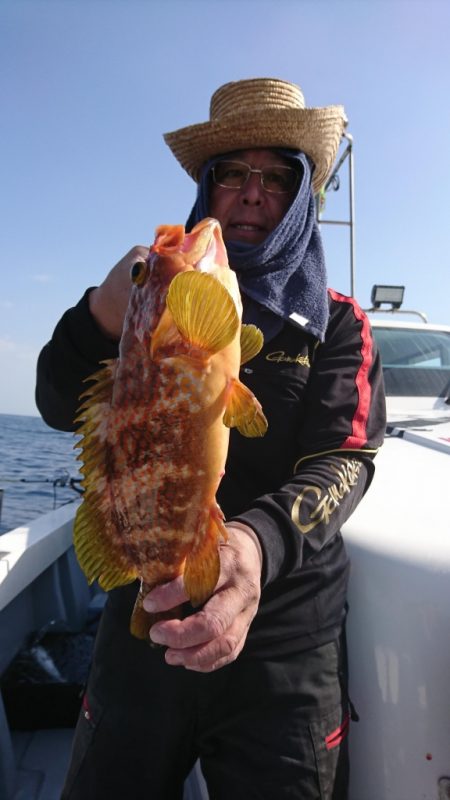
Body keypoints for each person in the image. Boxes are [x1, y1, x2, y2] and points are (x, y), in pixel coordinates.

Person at [36, 77, 386, 800]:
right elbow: (56, 400)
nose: (251, 194)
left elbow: (344, 461)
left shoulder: (339, 324)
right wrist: (101, 316)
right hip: (146, 627)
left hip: (284, 647)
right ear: (206, 188)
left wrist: (253, 546)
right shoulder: (146, 301)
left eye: (277, 177)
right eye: (231, 173)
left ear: (302, 201)